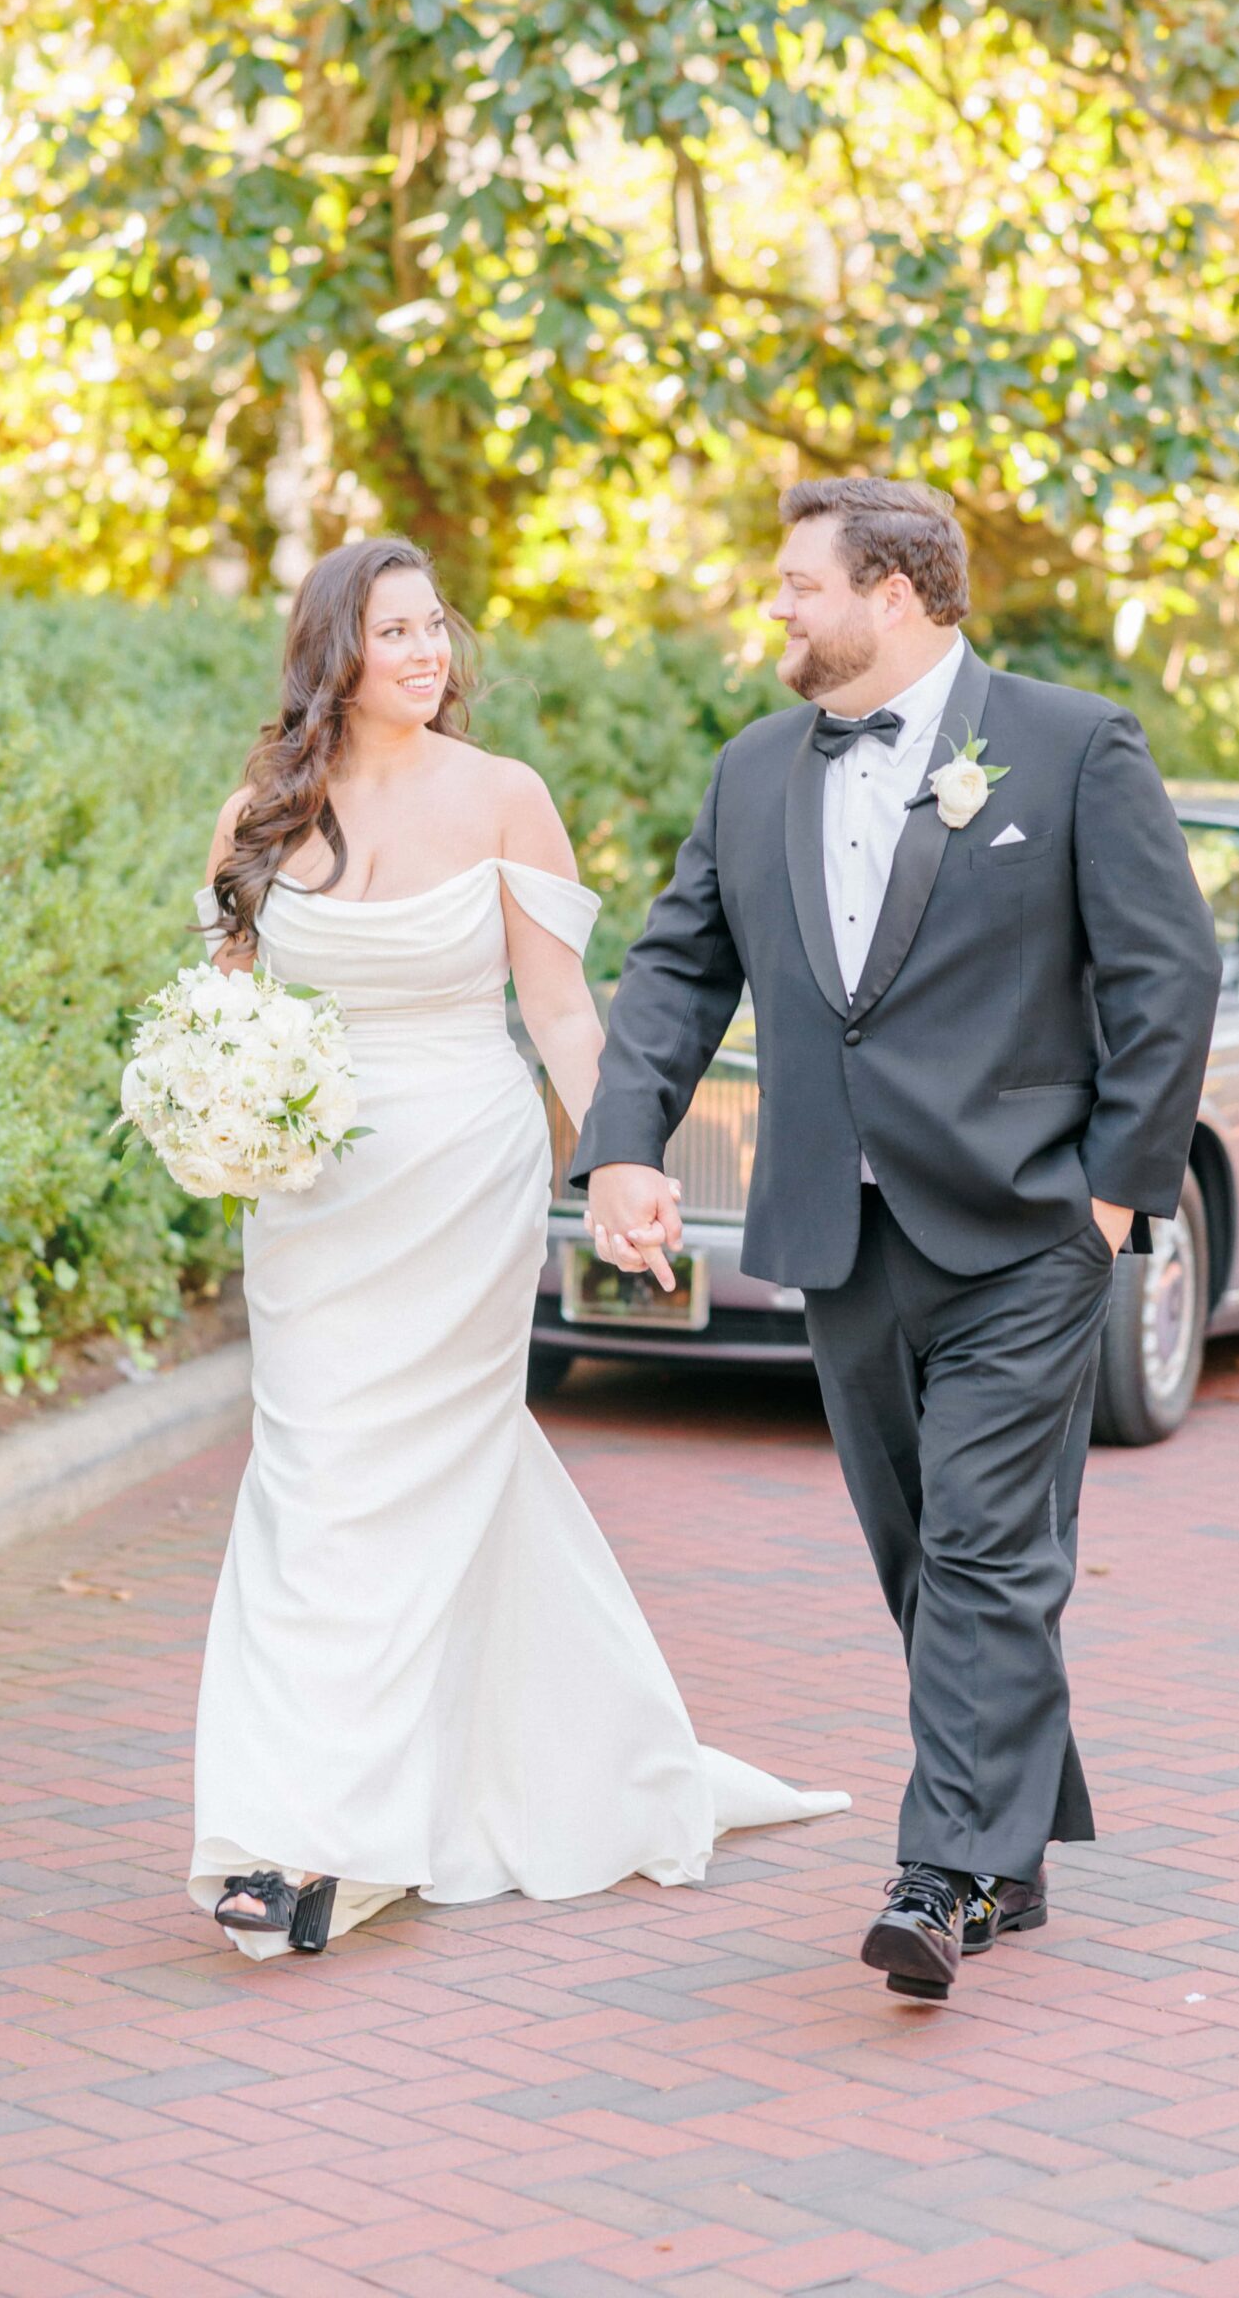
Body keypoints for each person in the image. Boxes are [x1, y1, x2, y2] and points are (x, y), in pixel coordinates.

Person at [575, 479, 1220, 2004]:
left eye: (802, 584)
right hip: (836, 1227)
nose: (778, 608)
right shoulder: (749, 775)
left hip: (1024, 1226)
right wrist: (620, 1142)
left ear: (899, 593)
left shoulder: (1071, 745)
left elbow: (1167, 974)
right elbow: (676, 970)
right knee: (925, 1554)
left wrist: (1113, 1196)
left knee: (993, 1544)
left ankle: (937, 1878)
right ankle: (1013, 1844)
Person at [186, 536, 847, 1958]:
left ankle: (314, 1843)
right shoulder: (263, 812)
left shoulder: (503, 797)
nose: (427, 654)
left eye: (436, 628)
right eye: (393, 633)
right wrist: (215, 1112)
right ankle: (365, 1802)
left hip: (461, 1178)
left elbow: (558, 1010)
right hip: (311, 1199)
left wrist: (624, 1160)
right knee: (315, 1483)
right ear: (332, 656)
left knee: (407, 1481)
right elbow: (222, 1007)